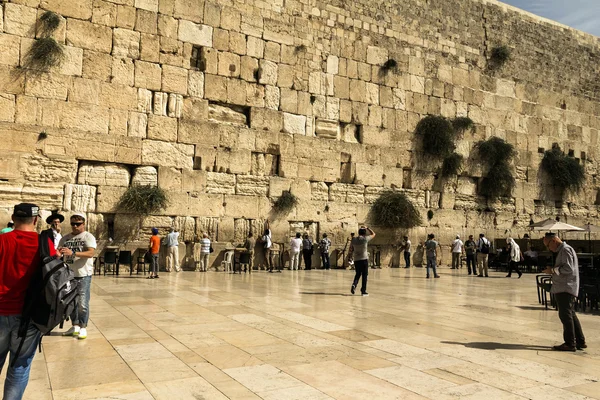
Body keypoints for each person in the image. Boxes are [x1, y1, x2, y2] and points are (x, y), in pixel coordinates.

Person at [0, 203, 56, 399]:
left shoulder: (2, 240)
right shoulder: (45, 244)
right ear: (35, 220)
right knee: (19, 366)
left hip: (0, 312)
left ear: (14, 219)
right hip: (28, 317)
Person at [542, 233, 586, 352]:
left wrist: (552, 270)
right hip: (565, 286)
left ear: (554, 241)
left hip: (565, 287)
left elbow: (568, 268)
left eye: (548, 245)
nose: (549, 248)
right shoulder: (564, 250)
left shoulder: (565, 250)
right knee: (570, 314)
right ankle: (580, 341)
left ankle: (570, 343)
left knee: (565, 315)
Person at [59, 213, 96, 340]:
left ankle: (83, 326)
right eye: (73, 224)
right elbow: (59, 251)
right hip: (68, 275)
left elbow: (91, 253)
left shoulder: (87, 236)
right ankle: (75, 326)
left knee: (82, 302)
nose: (75, 226)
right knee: (71, 302)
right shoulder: (65, 238)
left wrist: (73, 253)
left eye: (78, 224)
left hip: (83, 274)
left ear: (83, 224)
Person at [350, 226, 375, 296]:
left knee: (358, 274)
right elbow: (373, 234)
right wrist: (368, 228)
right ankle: (363, 291)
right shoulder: (365, 239)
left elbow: (351, 249)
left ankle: (354, 285)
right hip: (364, 259)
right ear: (364, 233)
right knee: (364, 275)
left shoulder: (353, 240)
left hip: (356, 259)